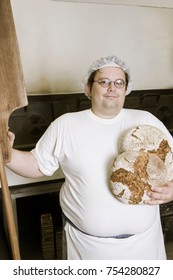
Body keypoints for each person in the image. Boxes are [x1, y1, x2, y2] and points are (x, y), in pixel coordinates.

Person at [7, 55, 173, 260]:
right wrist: (6, 154)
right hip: (88, 247)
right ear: (88, 88)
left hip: (146, 244)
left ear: (126, 89)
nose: (112, 88)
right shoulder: (66, 125)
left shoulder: (146, 121)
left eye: (119, 82)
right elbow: (37, 165)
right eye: (104, 82)